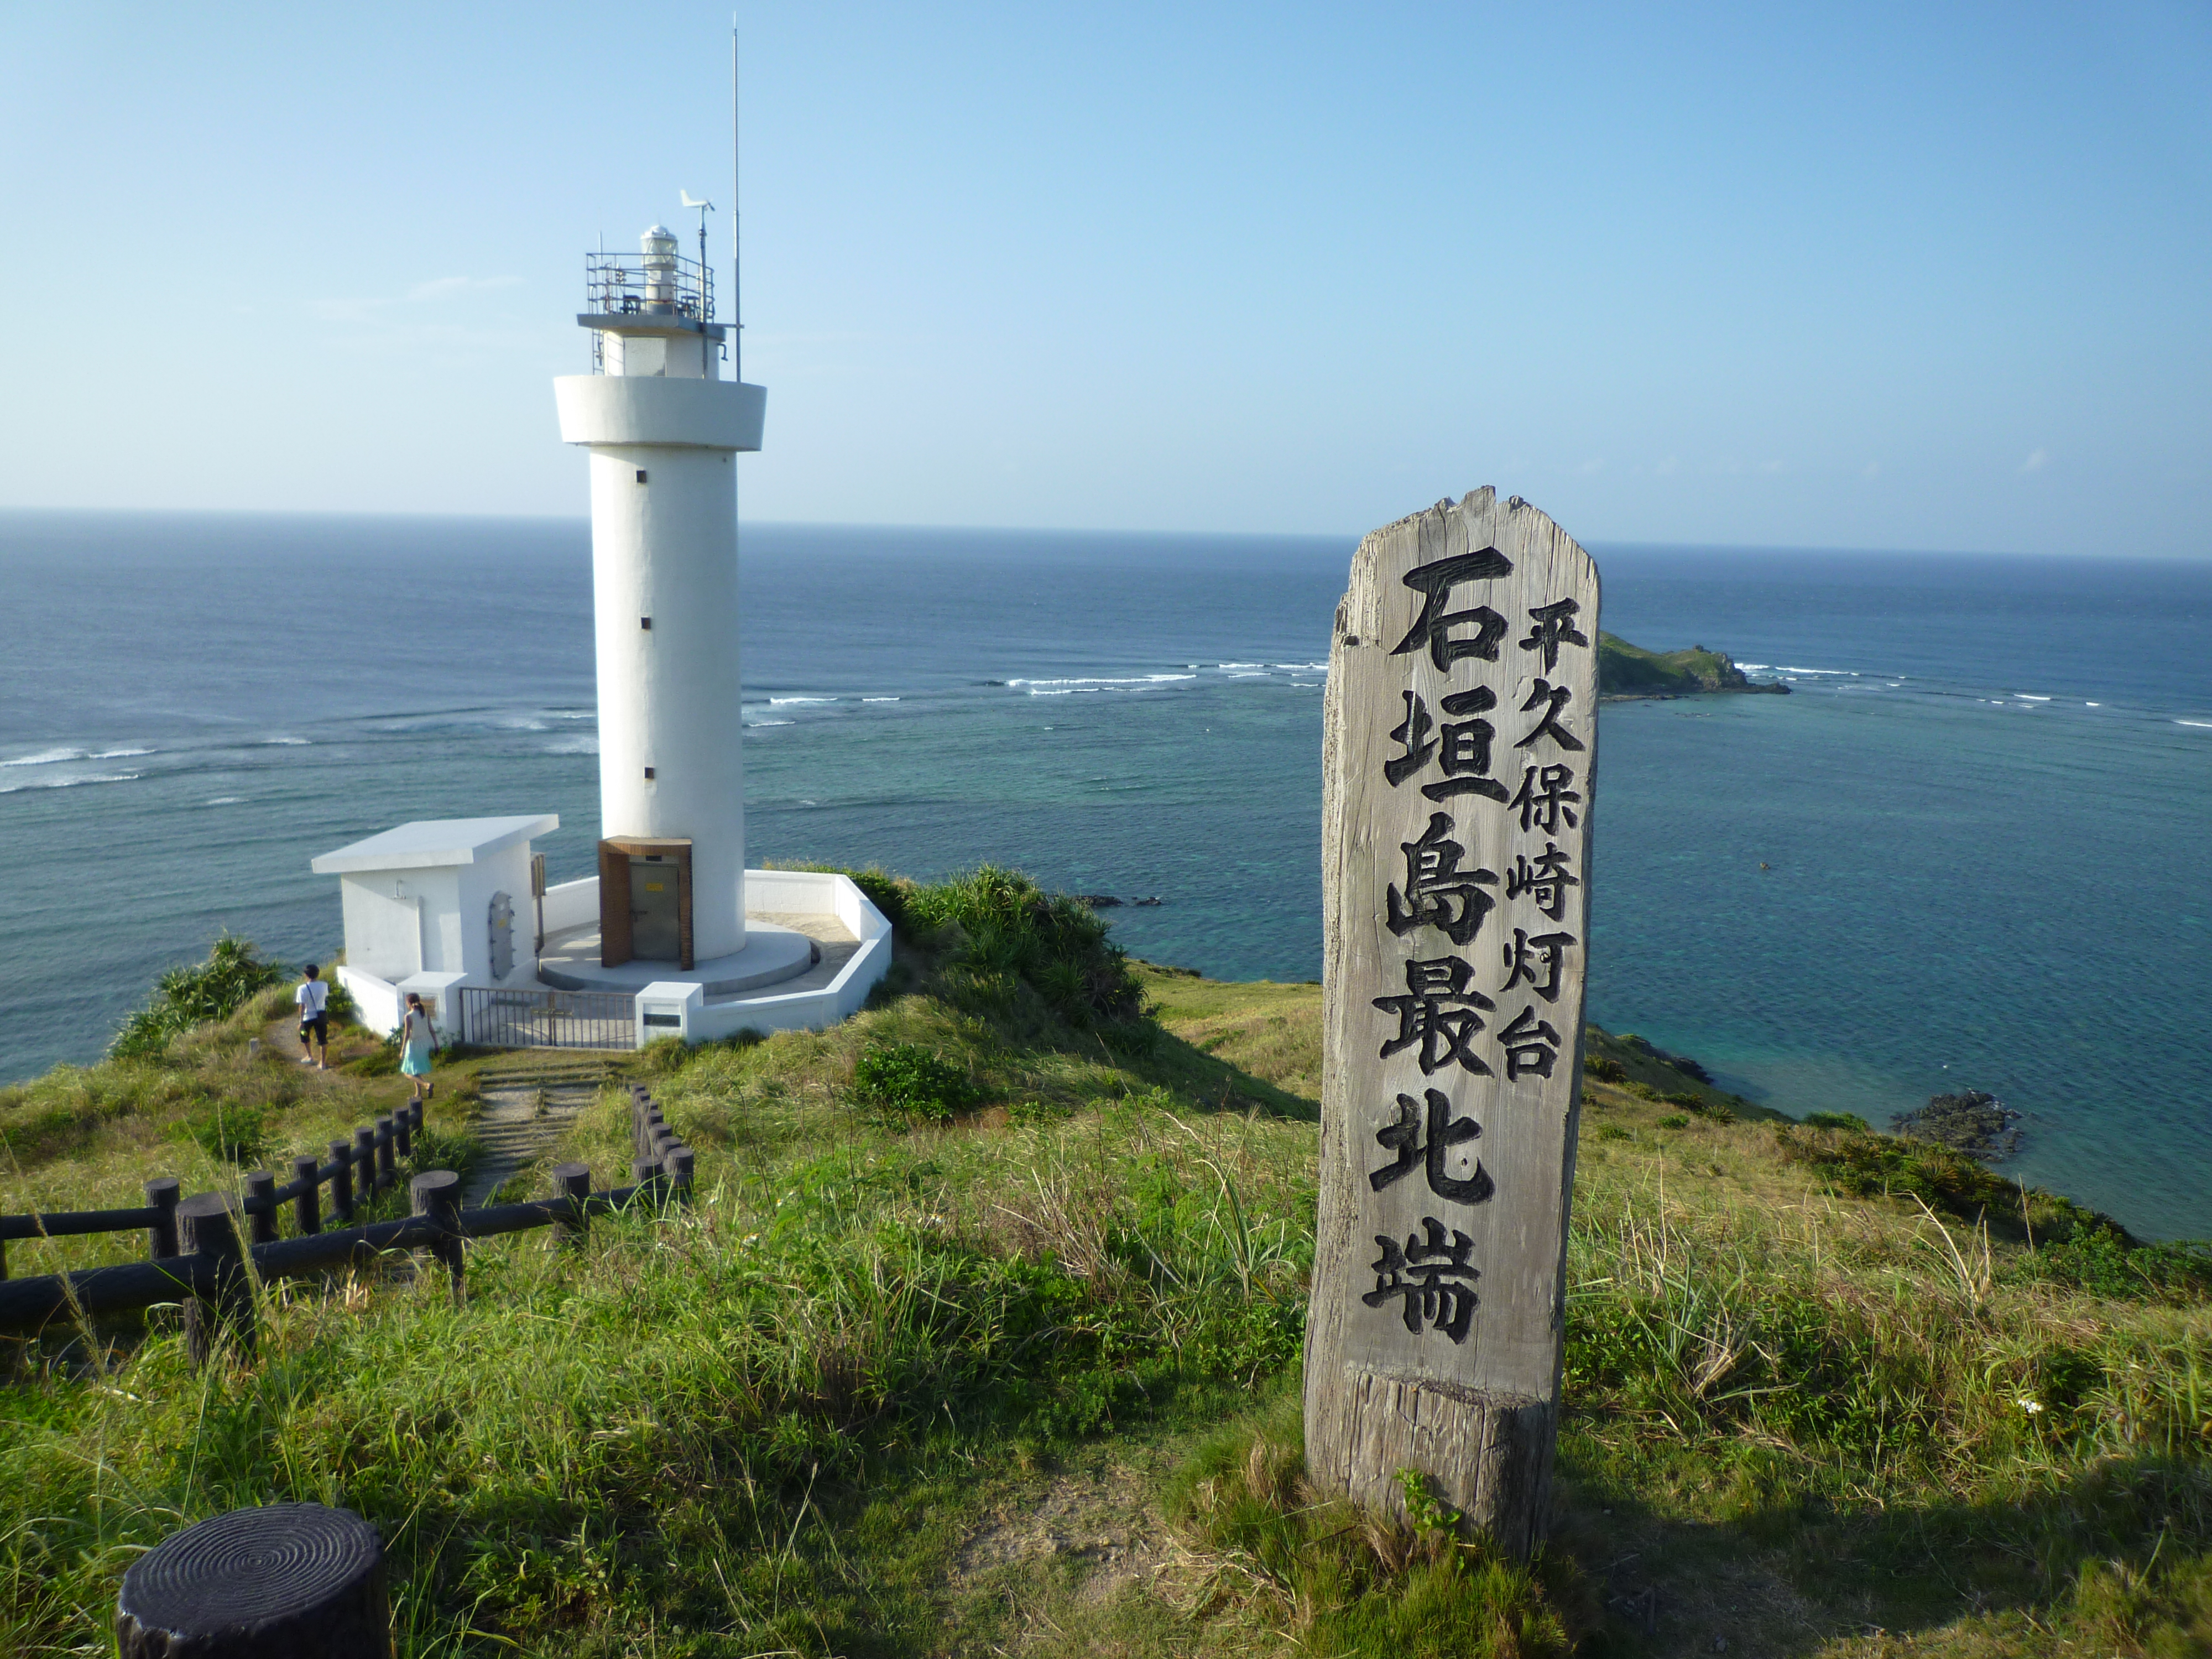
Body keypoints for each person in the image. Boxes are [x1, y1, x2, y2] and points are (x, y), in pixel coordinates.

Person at [399, 992, 438, 1103]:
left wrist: (402, 1050)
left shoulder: (408, 1016)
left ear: (409, 1003)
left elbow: (407, 1034)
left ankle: (426, 1084)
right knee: (415, 1070)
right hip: (423, 1044)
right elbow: (432, 1030)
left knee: (407, 1072)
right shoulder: (425, 1014)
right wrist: (436, 1044)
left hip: (413, 1045)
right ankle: (418, 1094)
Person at [295, 964, 331, 1070]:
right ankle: (323, 1063)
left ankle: (309, 1056)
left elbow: (302, 1006)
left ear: (306, 975)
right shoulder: (324, 985)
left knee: (304, 1036)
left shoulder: (302, 988)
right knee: (323, 1040)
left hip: (307, 1017)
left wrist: (301, 1021)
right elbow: (325, 997)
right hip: (321, 1016)